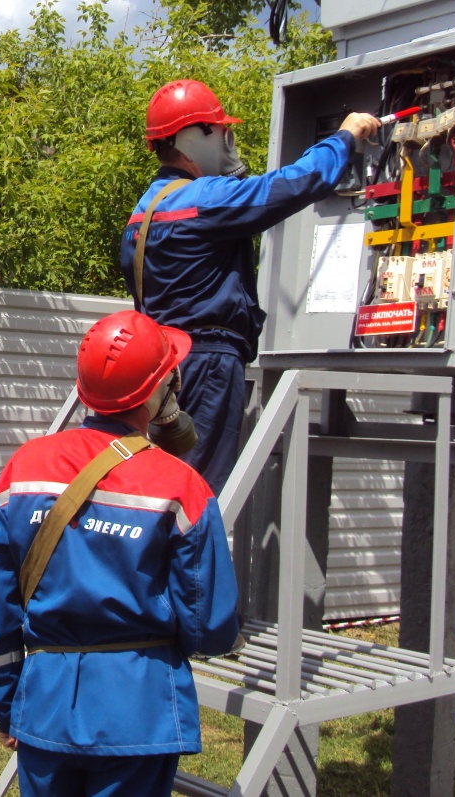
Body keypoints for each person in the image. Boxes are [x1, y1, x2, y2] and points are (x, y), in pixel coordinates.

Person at [0, 309, 240, 797]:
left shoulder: (22, 470)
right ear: (158, 390)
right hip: (140, 714)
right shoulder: (181, 486)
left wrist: (10, 705)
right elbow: (210, 627)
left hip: (44, 707)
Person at [120, 79, 382, 495]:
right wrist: (345, 136)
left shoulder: (143, 212)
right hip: (206, 364)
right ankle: (193, 560)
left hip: (161, 365)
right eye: (221, 130)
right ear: (194, 137)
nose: (228, 140)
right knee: (196, 494)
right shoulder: (205, 200)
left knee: (160, 487)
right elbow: (291, 185)